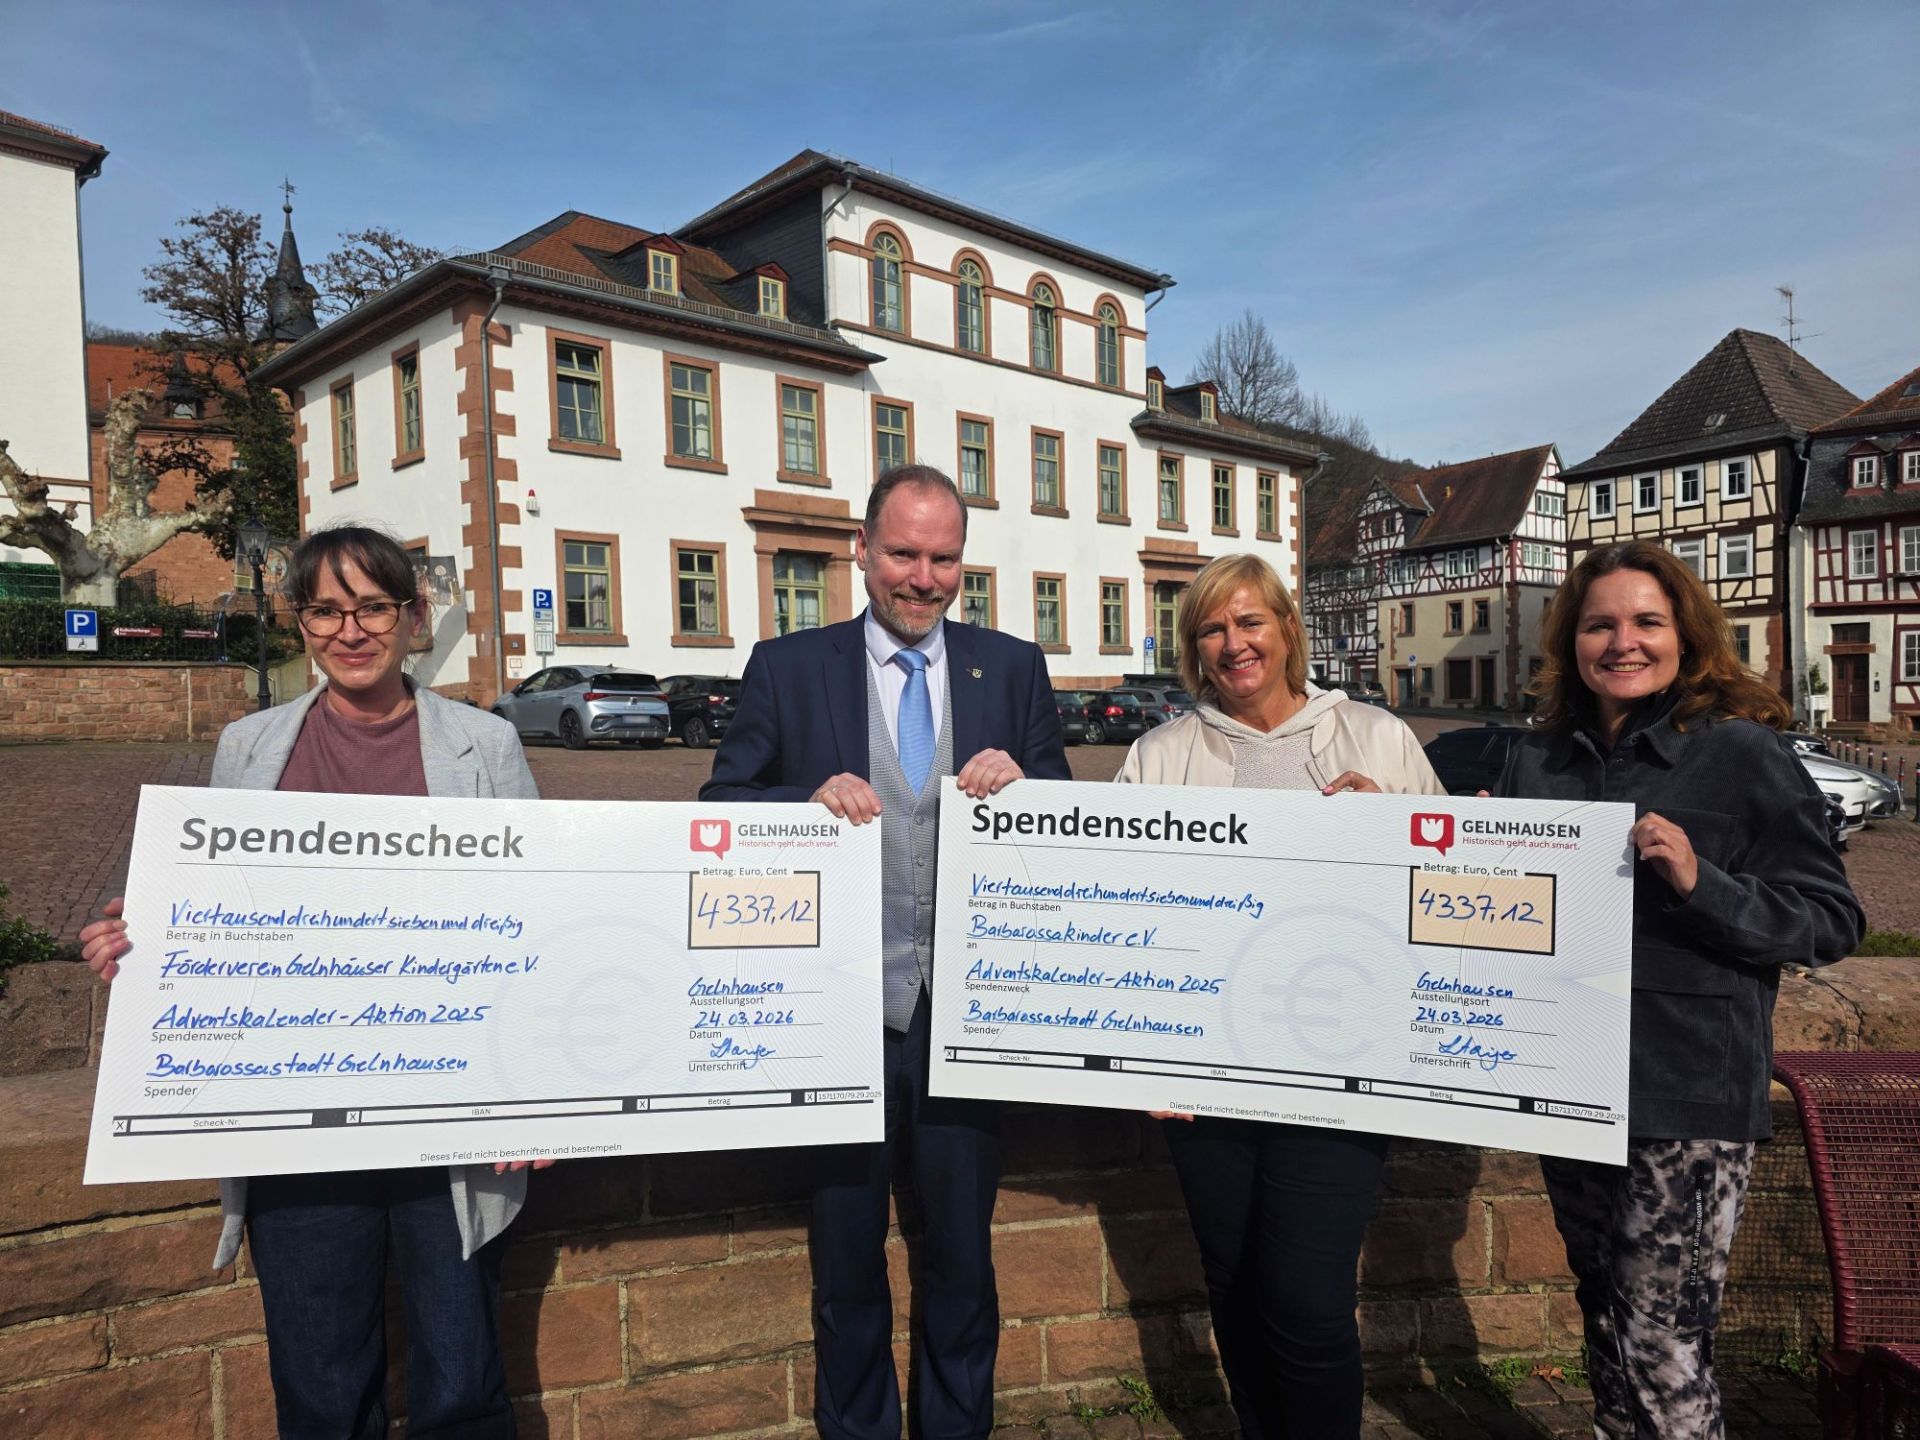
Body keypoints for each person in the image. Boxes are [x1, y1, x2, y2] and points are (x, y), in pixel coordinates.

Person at [81, 523, 547, 1440]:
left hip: (444, 1118)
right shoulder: (248, 746)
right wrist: (138, 937)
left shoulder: (483, 746)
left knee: (462, 1385)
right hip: (295, 1127)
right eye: (326, 610)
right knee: (322, 1392)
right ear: (300, 622)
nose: (351, 630)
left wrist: (535, 1094)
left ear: (414, 616)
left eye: (373, 606)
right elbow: (209, 905)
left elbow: (536, 917)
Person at [701, 464, 1068, 1440]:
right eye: (903, 553)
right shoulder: (789, 668)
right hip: (838, 1021)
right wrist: (800, 803)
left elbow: (1070, 824)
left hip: (966, 1018)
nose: (923, 577)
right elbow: (719, 809)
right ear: (861, 552)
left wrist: (1026, 785)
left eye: (943, 557)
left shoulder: (1012, 668)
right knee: (846, 1263)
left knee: (962, 1262)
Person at [1495, 540, 1862, 1440]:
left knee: (1666, 1341)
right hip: (1568, 1079)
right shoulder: (1537, 766)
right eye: (1600, 625)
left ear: (1685, 635)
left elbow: (1829, 919)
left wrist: (1705, 882)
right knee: (1607, 1320)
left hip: (1689, 1090)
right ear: (1571, 641)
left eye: (1646, 622)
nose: (1623, 642)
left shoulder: (1741, 755)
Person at [1115, 552, 1444, 1440]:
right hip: (1205, 1076)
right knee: (1232, 1282)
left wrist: (1398, 830)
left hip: (1336, 1068)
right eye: (1214, 629)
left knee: (1305, 1301)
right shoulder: (1160, 755)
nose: (1235, 643)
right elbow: (1120, 910)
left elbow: (1448, 896)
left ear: (1288, 630)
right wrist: (1142, 1058)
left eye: (1251, 621)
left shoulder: (1377, 739)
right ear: (1195, 648)